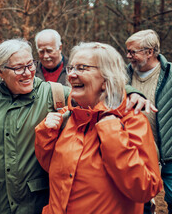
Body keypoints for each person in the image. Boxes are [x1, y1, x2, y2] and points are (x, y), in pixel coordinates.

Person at [0, 38, 155, 214]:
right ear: (0, 72)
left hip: (34, 202)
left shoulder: (53, 94)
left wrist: (131, 92)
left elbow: (96, 91)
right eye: (19, 68)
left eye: (30, 64)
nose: (28, 72)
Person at [35, 42, 162, 214]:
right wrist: (46, 134)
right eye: (71, 67)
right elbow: (52, 168)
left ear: (106, 79)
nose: (71, 74)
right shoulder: (67, 117)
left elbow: (145, 189)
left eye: (82, 68)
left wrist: (111, 133)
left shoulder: (131, 121)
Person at [125, 29, 172, 213]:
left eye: (132, 52)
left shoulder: (169, 74)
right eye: (128, 51)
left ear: (149, 52)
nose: (128, 56)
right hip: (136, 154)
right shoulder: (122, 76)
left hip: (169, 156)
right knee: (139, 206)